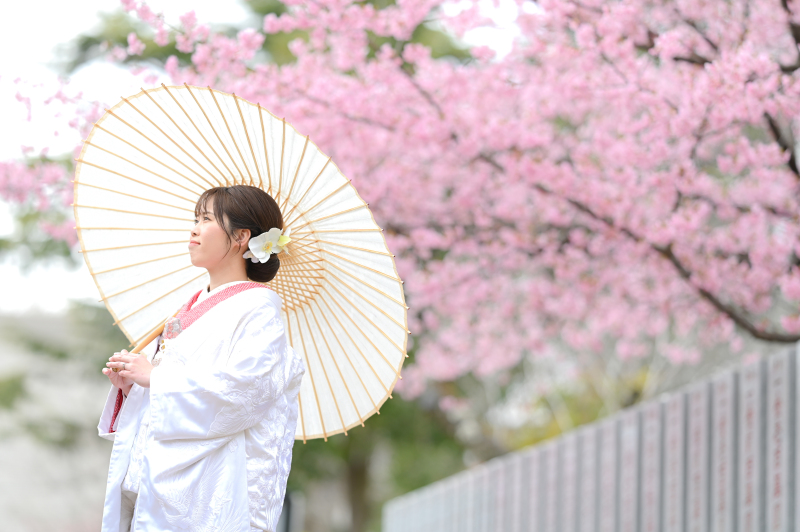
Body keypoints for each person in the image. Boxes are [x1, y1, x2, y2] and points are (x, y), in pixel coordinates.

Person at [97, 185, 305, 532]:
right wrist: (133, 384)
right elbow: (163, 391)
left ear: (241, 236)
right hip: (154, 480)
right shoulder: (190, 305)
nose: (193, 229)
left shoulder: (258, 312)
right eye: (195, 218)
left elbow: (244, 393)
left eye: (206, 219)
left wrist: (155, 379)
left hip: (205, 488)